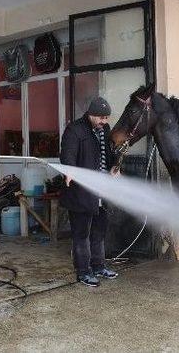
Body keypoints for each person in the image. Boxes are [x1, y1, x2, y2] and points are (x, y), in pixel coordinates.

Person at [59, 96, 120, 287]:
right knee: (81, 234)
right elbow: (67, 154)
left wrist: (114, 167)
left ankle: (99, 266)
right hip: (80, 193)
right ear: (91, 115)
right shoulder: (75, 130)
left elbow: (108, 154)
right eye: (101, 118)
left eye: (106, 118)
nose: (104, 122)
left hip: (101, 192)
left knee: (99, 232)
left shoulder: (105, 129)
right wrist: (69, 170)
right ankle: (83, 272)